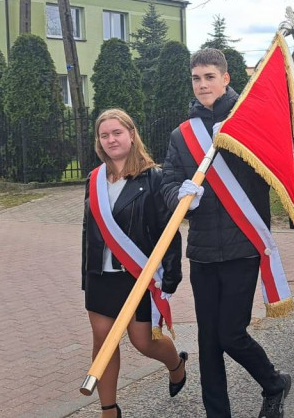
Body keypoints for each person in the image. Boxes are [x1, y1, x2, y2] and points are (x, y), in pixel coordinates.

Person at [161, 48, 291, 418]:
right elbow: (169, 183)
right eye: (196, 79)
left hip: (242, 245)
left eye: (209, 77)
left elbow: (272, 167)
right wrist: (180, 194)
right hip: (202, 250)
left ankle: (274, 382)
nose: (202, 85)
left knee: (231, 333)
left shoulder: (248, 122)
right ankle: (217, 413)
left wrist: (239, 141)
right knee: (208, 340)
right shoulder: (181, 135)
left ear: (226, 78)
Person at [82, 109, 188, 418]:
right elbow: (88, 232)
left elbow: (169, 231)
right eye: (105, 135)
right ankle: (109, 409)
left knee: (143, 342)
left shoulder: (153, 178)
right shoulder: (94, 178)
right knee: (103, 343)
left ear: (131, 134)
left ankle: (176, 364)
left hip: (138, 275)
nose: (111, 139)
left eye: (117, 133)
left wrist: (170, 280)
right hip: (101, 276)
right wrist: (86, 277)